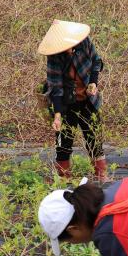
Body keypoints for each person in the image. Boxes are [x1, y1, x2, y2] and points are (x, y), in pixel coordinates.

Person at [38, 20, 106, 182]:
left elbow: (97, 61)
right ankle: (64, 180)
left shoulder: (84, 43)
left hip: (88, 101)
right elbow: (56, 87)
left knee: (94, 140)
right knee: (63, 144)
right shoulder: (54, 57)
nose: (67, 50)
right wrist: (57, 115)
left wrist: (93, 82)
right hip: (67, 104)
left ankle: (101, 177)